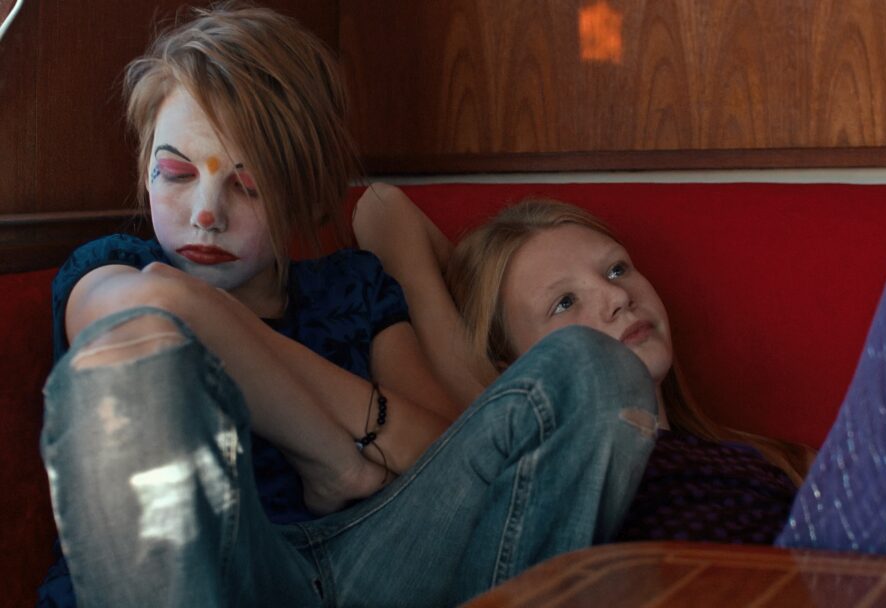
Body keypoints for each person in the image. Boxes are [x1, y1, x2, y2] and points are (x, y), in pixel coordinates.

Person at [39, 6, 658, 607]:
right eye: (176, 173)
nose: (206, 213)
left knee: (596, 366)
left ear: (306, 196)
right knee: (134, 364)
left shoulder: (351, 288)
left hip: (380, 556)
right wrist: (331, 454)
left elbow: (442, 455)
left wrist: (220, 329)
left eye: (248, 185)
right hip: (223, 572)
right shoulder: (111, 266)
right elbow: (154, 299)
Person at [353, 183, 886, 567]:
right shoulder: (530, 484)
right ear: (512, 374)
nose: (614, 297)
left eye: (616, 269)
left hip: (815, 572)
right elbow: (385, 211)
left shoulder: (756, 459)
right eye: (564, 303)